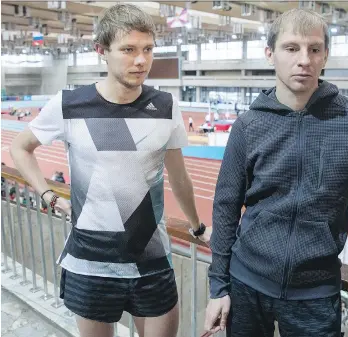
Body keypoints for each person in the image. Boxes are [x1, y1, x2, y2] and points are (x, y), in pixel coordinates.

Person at [204, 8, 348, 337]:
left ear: (325, 56)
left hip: (316, 295)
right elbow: (226, 206)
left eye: (314, 49)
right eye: (291, 48)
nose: (304, 59)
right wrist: (218, 286)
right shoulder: (248, 126)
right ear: (270, 54)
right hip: (245, 284)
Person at [10, 4, 210, 337]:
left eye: (147, 49)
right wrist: (45, 193)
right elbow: (21, 147)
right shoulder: (70, 104)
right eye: (128, 50)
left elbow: (179, 176)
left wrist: (197, 226)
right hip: (90, 261)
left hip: (152, 258)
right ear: (102, 51)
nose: (141, 60)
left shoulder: (165, 105)